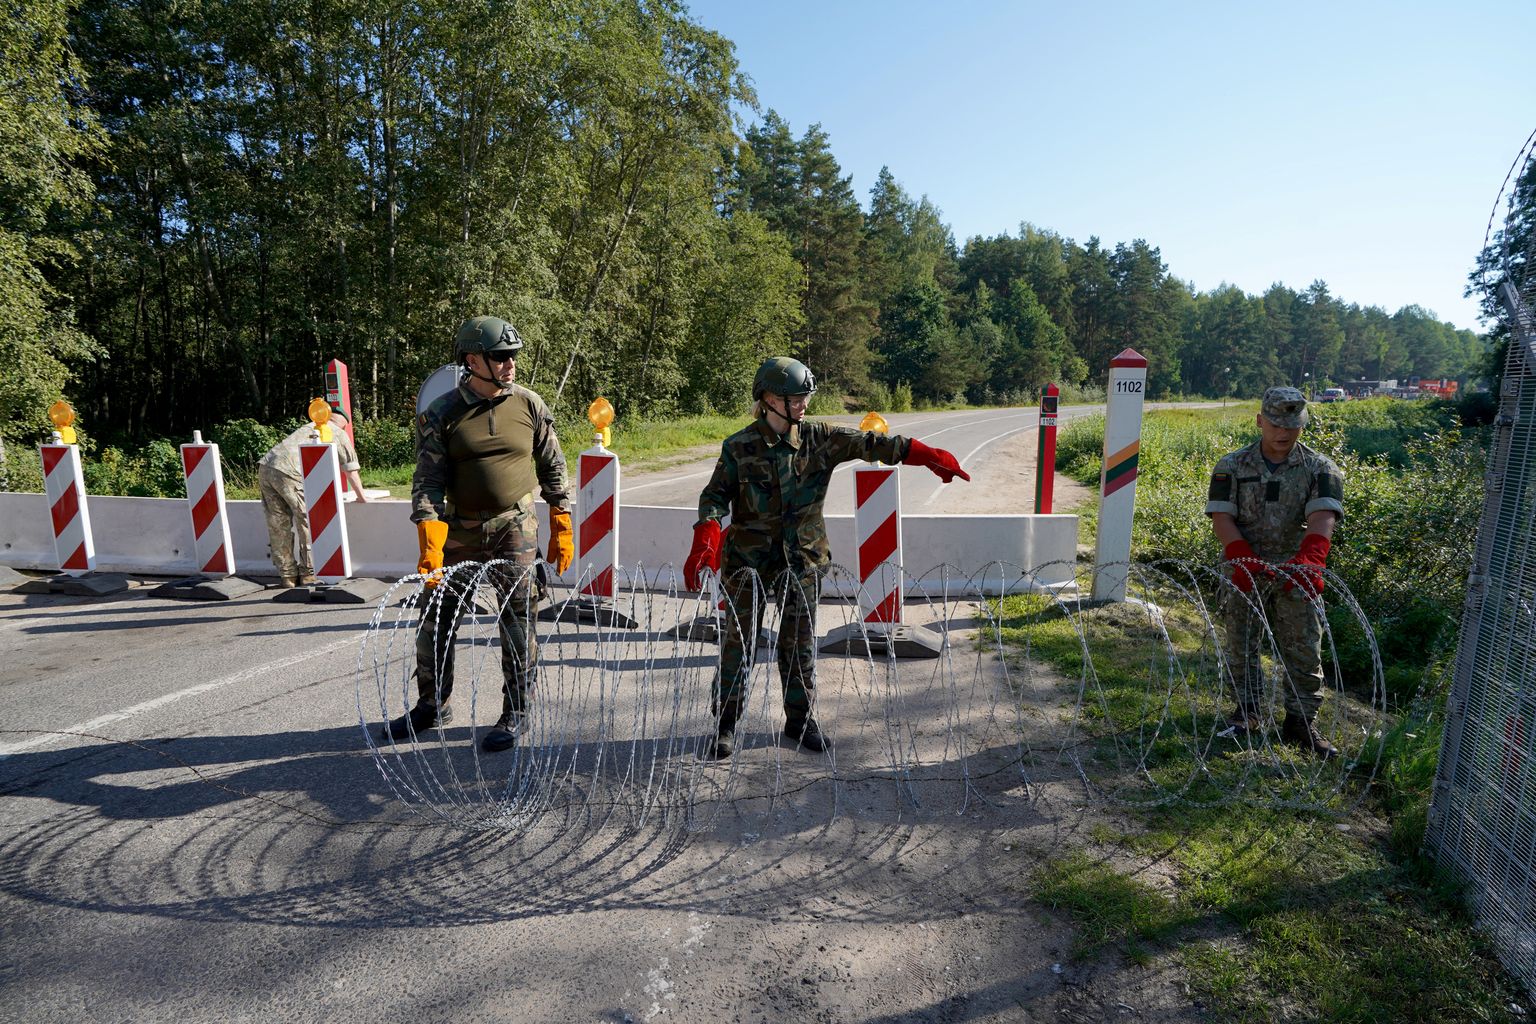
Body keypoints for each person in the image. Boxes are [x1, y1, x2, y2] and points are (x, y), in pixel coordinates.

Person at [684, 356, 971, 759]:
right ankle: (726, 724)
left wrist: (925, 455)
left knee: (798, 642)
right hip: (748, 563)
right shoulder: (739, 447)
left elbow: (870, 443)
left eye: (805, 397)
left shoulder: (820, 438)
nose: (803, 404)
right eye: (795, 397)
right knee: (739, 641)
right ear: (768, 399)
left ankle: (800, 721)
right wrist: (707, 536)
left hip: (803, 560)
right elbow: (714, 496)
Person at [382, 316, 573, 752]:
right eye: (500, 357)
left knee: (518, 620)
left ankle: (517, 709)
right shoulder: (442, 413)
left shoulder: (529, 405)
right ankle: (431, 705)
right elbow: (428, 480)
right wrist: (430, 535)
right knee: (436, 619)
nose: (510, 364)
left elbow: (552, 465)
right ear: (473, 361)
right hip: (459, 529)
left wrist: (561, 518)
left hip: (514, 527)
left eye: (512, 357)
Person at [1207, 386, 1345, 759]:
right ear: (1259, 421)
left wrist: (1312, 558)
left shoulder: (1320, 468)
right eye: (1275, 424)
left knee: (1303, 649)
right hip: (1244, 567)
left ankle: (1301, 722)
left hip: (1295, 570)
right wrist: (1239, 555)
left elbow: (1322, 516)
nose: (1283, 433)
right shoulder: (1232, 465)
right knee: (1241, 645)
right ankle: (1246, 713)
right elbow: (1222, 516)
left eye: (1293, 426)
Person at [258, 408, 367, 588]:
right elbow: (351, 470)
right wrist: (362, 498)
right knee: (307, 520)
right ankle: (309, 573)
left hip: (266, 467)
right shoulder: (338, 432)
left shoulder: (308, 427)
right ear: (344, 424)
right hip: (290, 472)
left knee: (278, 524)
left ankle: (287, 577)